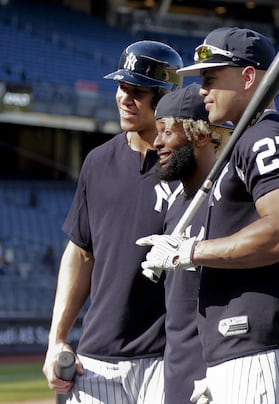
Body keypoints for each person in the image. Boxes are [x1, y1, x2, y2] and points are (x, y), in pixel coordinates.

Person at [137, 27, 279, 404]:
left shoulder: (267, 136)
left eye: (210, 78)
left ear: (247, 76)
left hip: (259, 344)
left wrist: (189, 252)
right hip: (237, 351)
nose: (202, 90)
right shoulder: (246, 139)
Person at [42, 40, 183, 404]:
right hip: (96, 361)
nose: (125, 98)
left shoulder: (190, 168)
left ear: (165, 98)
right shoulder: (97, 162)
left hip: (166, 358)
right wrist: (57, 338)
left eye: (138, 91)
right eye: (122, 87)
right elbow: (80, 254)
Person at [138, 83, 231, 404]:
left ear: (201, 135)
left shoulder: (231, 197)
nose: (157, 142)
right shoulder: (176, 204)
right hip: (175, 376)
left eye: (167, 131)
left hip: (214, 374)